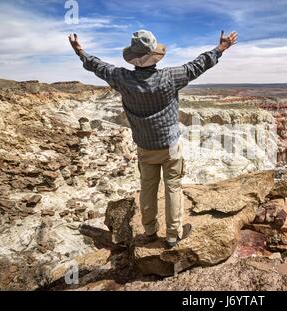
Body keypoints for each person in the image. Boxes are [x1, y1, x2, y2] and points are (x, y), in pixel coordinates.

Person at [68, 29, 238, 248]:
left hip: (144, 147)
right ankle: (173, 235)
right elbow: (198, 65)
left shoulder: (122, 79)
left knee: (147, 188)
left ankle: (149, 231)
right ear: (155, 55)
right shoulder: (169, 78)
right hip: (169, 146)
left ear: (134, 57)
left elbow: (98, 67)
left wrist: (80, 52)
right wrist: (221, 48)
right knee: (173, 187)